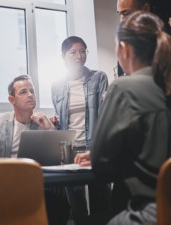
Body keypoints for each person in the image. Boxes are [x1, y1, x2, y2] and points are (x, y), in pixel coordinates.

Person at [74, 11, 171, 224]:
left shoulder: (123, 88)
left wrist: (97, 155)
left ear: (123, 49)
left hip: (151, 214)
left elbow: (103, 167)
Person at [0, 75, 69, 225]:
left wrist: (49, 128)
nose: (30, 95)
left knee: (60, 205)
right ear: (12, 100)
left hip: (31, 187)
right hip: (0, 188)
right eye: (23, 92)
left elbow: (64, 160)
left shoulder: (41, 123)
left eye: (32, 91)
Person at [51, 36, 110, 225]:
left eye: (83, 51)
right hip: (69, 147)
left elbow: (105, 114)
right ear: (63, 56)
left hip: (93, 145)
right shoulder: (57, 86)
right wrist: (54, 121)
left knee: (101, 193)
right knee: (75, 200)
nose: (79, 55)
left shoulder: (98, 77)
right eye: (73, 52)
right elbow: (61, 119)